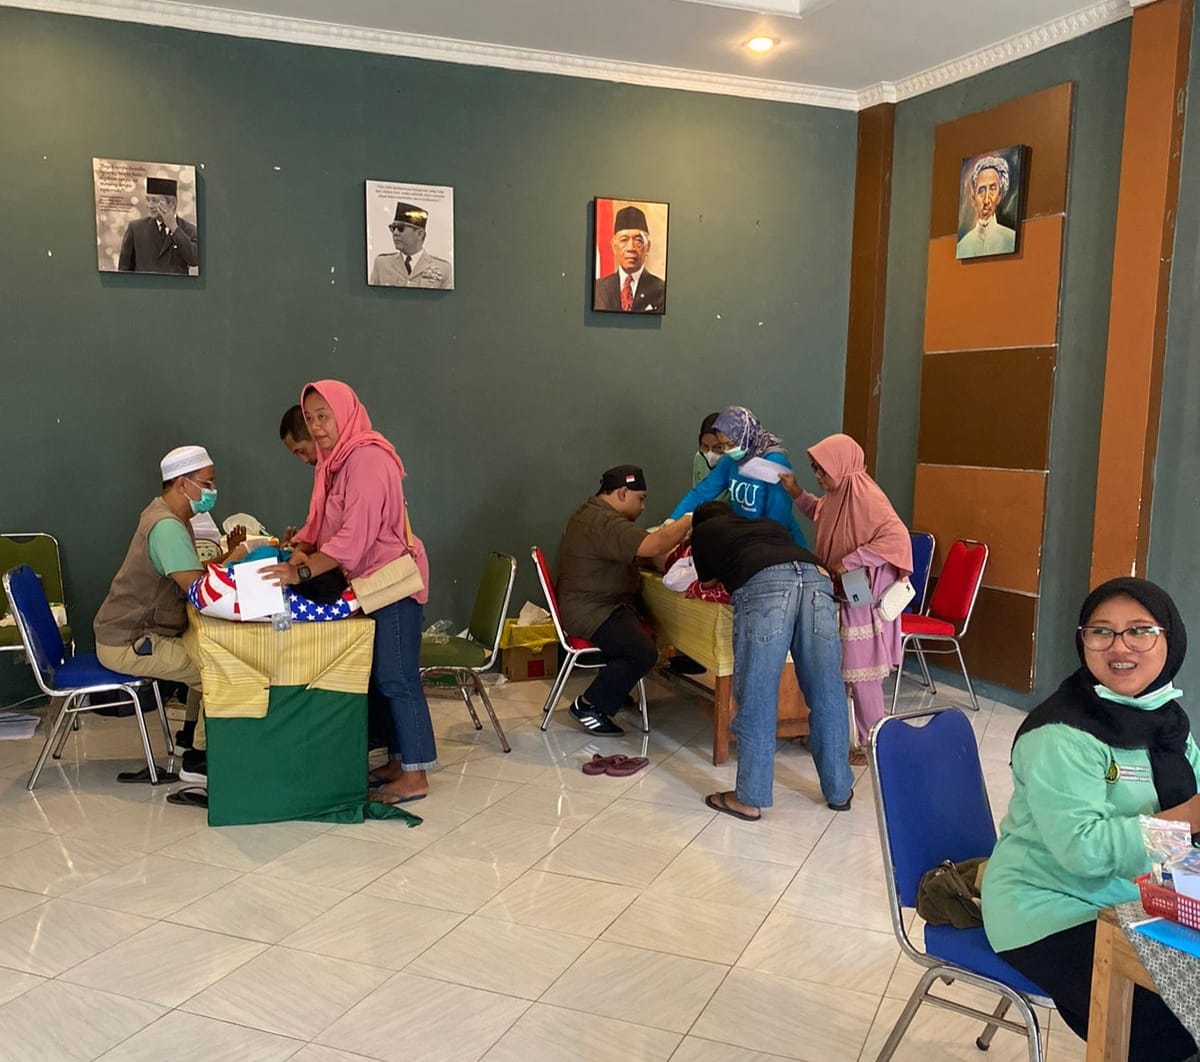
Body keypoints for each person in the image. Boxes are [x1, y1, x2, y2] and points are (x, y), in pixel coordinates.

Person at [982, 578, 1200, 1061]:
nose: (1120, 647)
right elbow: (1083, 851)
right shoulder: (1059, 734)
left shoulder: (1165, 721)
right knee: (1166, 1018)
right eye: (1101, 631)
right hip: (1044, 907)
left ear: (1171, 639)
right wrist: (1186, 819)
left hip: (1135, 894)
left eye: (1140, 630)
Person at [262, 380, 437, 803]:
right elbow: (320, 523)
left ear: (345, 412)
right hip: (365, 584)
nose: (317, 427)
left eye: (324, 416)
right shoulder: (332, 464)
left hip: (391, 583)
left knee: (397, 678)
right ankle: (398, 760)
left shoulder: (368, 459)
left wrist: (300, 572)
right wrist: (299, 548)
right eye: (310, 419)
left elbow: (353, 540)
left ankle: (416, 775)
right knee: (379, 678)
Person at [690, 501, 853, 820]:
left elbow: (708, 583)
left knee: (758, 692)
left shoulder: (704, 531)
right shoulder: (766, 525)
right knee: (827, 691)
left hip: (765, 586)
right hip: (816, 580)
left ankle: (749, 798)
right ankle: (839, 791)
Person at [93, 445, 245, 784]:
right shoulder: (167, 527)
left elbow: (186, 569)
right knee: (216, 670)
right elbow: (196, 588)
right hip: (129, 642)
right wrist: (243, 586)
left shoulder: (167, 514)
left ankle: (190, 736)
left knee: (207, 655)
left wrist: (227, 558)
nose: (212, 491)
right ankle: (198, 761)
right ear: (182, 484)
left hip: (129, 633)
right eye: (207, 483)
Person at [780, 433, 911, 762]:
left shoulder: (868, 498)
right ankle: (838, 737)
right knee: (841, 670)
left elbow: (897, 539)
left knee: (863, 673)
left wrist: (851, 561)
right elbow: (819, 513)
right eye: (815, 469)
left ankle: (875, 746)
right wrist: (796, 492)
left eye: (822, 469)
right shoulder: (838, 495)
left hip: (864, 598)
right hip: (845, 592)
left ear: (841, 465)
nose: (818, 475)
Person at [555, 465, 693, 735]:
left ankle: (615, 690)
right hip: (593, 609)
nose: (643, 507)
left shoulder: (590, 513)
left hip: (593, 603)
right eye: (640, 499)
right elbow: (653, 546)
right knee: (641, 652)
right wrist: (688, 519)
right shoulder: (603, 521)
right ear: (621, 493)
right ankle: (589, 705)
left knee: (637, 628)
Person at [668, 406, 807, 547]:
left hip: (778, 543)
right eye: (722, 445)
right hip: (745, 538)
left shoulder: (773, 461)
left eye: (731, 444)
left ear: (746, 436)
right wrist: (673, 519)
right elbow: (702, 492)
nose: (727, 450)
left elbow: (778, 516)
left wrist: (759, 547)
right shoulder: (730, 460)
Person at [117, 176, 199, 274]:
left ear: (172, 203)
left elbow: (195, 260)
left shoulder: (189, 230)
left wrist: (174, 228)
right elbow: (124, 271)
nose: (150, 205)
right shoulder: (135, 228)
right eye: (148, 200)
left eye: (155, 201)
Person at [593, 205, 666, 314]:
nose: (631, 248)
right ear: (614, 246)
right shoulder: (598, 288)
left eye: (638, 241)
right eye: (624, 240)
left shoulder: (661, 290)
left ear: (647, 247)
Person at [369, 203, 452, 289]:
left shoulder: (443, 269)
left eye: (401, 228)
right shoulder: (382, 264)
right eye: (393, 228)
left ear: (419, 234)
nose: (395, 233)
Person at [955, 155, 1017, 259]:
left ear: (999, 195)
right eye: (981, 190)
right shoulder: (962, 246)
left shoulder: (1010, 239)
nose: (986, 200)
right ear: (974, 196)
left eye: (992, 189)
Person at [692, 412, 723, 489]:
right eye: (705, 446)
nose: (710, 453)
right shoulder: (699, 458)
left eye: (717, 447)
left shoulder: (737, 467)